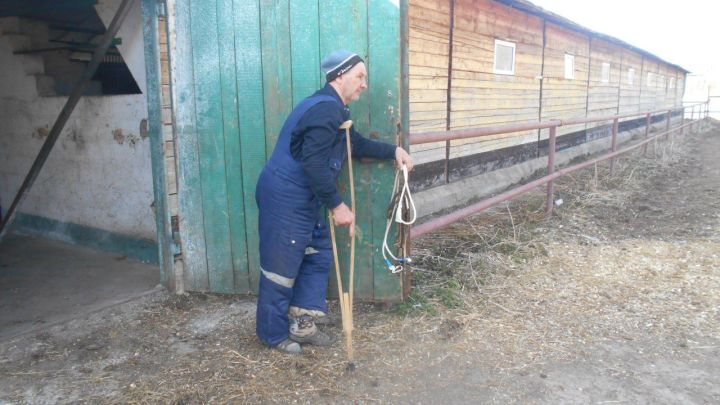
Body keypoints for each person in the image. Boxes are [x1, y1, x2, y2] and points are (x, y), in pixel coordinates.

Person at [255, 50, 413, 354]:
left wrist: (393, 151)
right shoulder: (325, 110)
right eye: (360, 76)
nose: (364, 83)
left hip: (306, 195)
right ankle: (272, 335)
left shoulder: (335, 109)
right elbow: (313, 164)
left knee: (317, 254)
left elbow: (354, 143)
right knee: (281, 266)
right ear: (340, 76)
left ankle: (302, 323)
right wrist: (338, 206)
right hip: (286, 196)